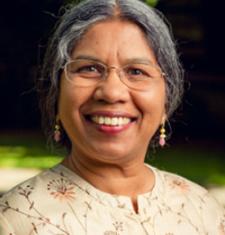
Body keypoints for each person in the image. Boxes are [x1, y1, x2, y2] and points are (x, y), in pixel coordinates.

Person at [0, 0, 224, 234]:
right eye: (89, 68)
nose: (112, 92)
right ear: (55, 93)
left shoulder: (202, 210)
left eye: (136, 71)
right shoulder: (17, 220)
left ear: (166, 102)